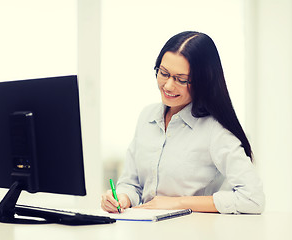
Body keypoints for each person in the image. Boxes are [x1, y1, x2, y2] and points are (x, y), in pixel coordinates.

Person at [101, 31, 265, 214]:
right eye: (163, 73)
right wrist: (121, 198)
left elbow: (252, 198)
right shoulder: (147, 117)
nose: (168, 86)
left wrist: (178, 203)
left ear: (204, 81)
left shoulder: (215, 129)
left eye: (181, 79)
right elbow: (132, 184)